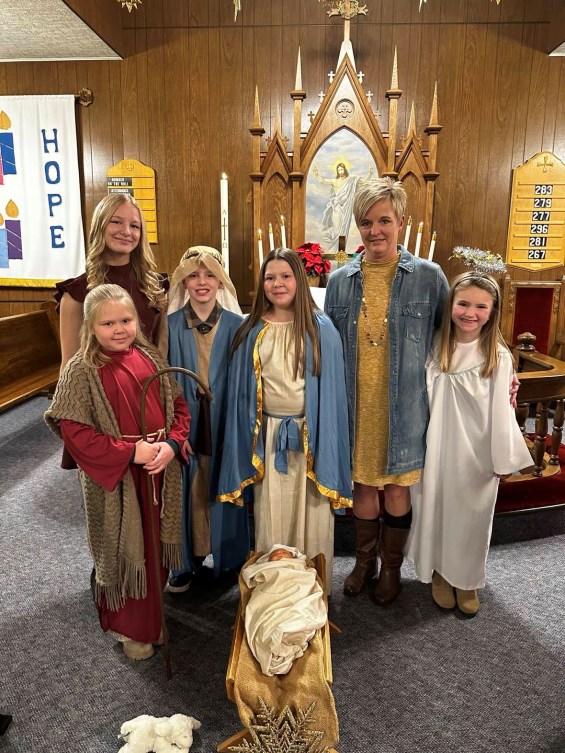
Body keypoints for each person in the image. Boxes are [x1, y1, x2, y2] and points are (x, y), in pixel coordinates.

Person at [44, 284, 190, 661]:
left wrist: (172, 445)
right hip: (119, 478)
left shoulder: (149, 356)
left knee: (154, 549)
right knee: (124, 549)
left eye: (126, 320)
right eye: (107, 323)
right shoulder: (81, 370)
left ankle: (152, 618)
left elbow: (178, 406)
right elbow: (75, 432)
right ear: (90, 327)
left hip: (158, 469)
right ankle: (133, 629)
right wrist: (130, 452)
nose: (119, 329)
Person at [324, 178, 449, 605]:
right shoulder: (339, 281)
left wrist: (499, 366)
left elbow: (453, 337)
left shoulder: (428, 277)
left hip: (405, 408)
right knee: (362, 487)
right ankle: (365, 563)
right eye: (366, 222)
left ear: (401, 221)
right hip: (356, 405)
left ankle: (392, 568)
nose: (374, 230)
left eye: (383, 221)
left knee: (396, 488)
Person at [217, 248, 352, 587]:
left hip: (311, 435)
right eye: (270, 277)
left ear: (299, 281)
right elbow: (240, 395)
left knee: (313, 512)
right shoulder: (251, 329)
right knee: (272, 511)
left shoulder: (321, 329)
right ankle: (273, 588)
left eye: (286, 276)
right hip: (268, 436)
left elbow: (333, 396)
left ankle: (313, 588)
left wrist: (327, 444)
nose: (277, 284)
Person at [406, 272, 532, 617]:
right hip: (434, 448)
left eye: (480, 307)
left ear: (492, 312)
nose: (470, 313)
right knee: (435, 509)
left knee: (470, 518)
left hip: (475, 454)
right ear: (450, 305)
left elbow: (502, 412)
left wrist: (502, 458)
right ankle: (439, 572)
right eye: (463, 304)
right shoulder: (433, 344)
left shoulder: (497, 357)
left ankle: (466, 578)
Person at [166, 246, 249, 592]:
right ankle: (186, 561)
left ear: (221, 281)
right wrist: (174, 429)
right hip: (185, 422)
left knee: (223, 481)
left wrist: (238, 426)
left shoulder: (237, 326)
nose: (202, 282)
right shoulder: (170, 326)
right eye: (194, 275)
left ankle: (229, 557)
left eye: (210, 274)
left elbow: (246, 380)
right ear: (184, 282)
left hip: (224, 420)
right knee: (188, 485)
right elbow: (164, 381)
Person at [56, 193, 168, 369]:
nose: (126, 232)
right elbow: (69, 364)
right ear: (100, 226)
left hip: (149, 378)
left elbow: (164, 346)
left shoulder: (155, 287)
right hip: (101, 382)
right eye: (116, 222)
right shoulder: (77, 293)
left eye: (134, 226)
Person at [242, 544, 327, 676]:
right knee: (264, 619)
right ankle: (276, 643)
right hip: (271, 598)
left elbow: (307, 581)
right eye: (274, 554)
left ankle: (285, 637)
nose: (279, 554)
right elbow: (253, 577)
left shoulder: (299, 567)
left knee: (298, 615)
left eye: (283, 552)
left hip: (296, 592)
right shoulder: (268, 569)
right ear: (268, 561)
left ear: (293, 557)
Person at [313, 162, 373, 252]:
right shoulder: (335, 181)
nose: (340, 171)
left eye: (341, 169)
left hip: (346, 208)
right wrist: (317, 174)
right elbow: (323, 181)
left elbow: (364, 182)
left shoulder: (351, 180)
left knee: (343, 229)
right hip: (337, 207)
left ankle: (341, 251)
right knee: (337, 229)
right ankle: (334, 250)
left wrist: (370, 173)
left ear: (345, 170)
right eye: (338, 170)